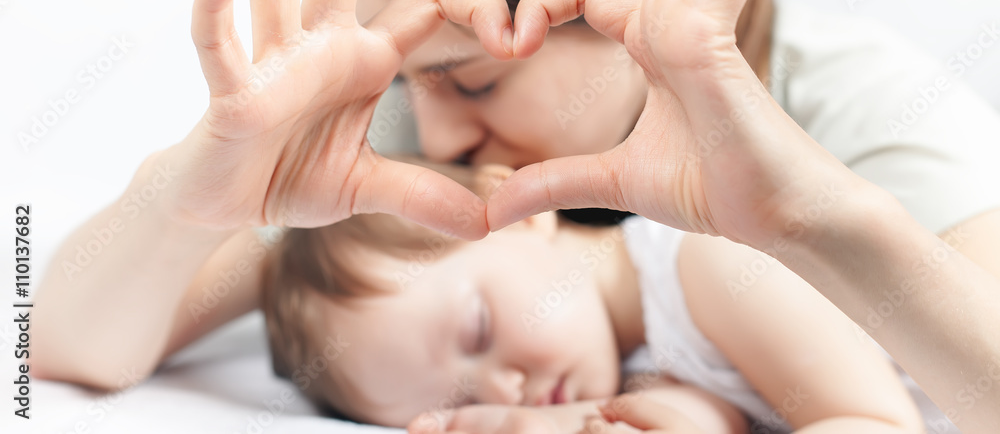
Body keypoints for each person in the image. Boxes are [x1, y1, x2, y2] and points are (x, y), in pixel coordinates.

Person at [32, 0, 1000, 432]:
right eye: (409, 76)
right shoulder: (420, 142)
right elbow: (57, 344)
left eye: (474, 77)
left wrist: (804, 216)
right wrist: (188, 192)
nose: (438, 130)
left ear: (619, 7)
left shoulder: (870, 113)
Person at [260, 171, 927, 433]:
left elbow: (878, 424)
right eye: (465, 403)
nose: (505, 388)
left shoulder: (710, 259)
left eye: (478, 328)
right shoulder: (623, 363)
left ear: (514, 213)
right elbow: (720, 414)